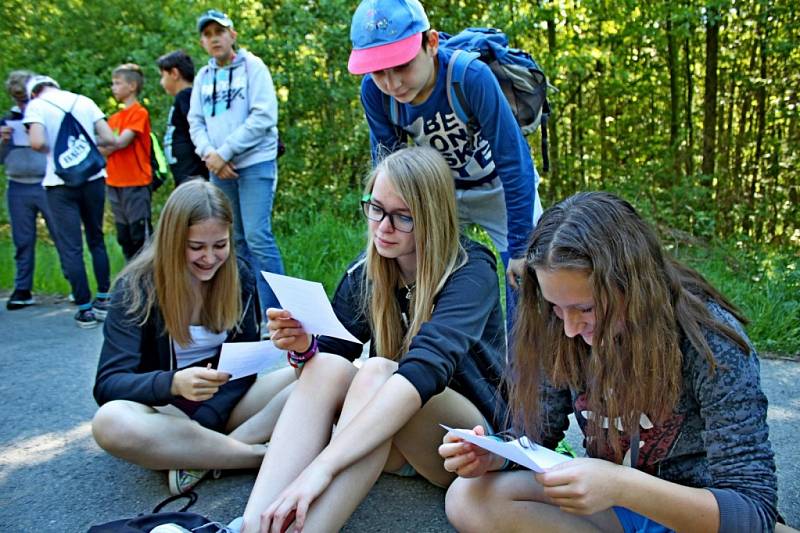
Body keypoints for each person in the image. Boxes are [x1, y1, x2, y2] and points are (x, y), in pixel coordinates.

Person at [439, 191, 778, 532]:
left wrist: (620, 484)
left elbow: (752, 511)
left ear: (633, 285)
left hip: (693, 513)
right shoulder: (561, 329)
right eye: (556, 308)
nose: (570, 328)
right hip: (613, 505)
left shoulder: (710, 343)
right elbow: (534, 436)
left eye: (586, 309)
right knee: (468, 495)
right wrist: (496, 455)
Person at [239, 146, 507, 532]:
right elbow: (327, 363)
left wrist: (321, 468)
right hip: (389, 442)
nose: (383, 227)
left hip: (464, 443)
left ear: (432, 217)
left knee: (378, 369)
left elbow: (425, 371)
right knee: (328, 365)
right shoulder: (365, 273)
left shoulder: (471, 269)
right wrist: (302, 350)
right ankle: (252, 525)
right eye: (376, 208)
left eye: (402, 217)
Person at [91, 180, 296, 496]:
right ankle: (257, 456)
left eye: (220, 245)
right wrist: (173, 383)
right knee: (110, 422)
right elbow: (109, 384)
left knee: (314, 373)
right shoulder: (136, 289)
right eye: (196, 247)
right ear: (172, 241)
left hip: (224, 406)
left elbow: (243, 371)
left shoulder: (238, 276)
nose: (210, 258)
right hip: (161, 414)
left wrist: (207, 419)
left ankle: (206, 455)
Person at [347, 0, 543, 324]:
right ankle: (447, 361)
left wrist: (521, 247)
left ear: (431, 43)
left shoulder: (470, 77)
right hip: (441, 192)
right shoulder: (375, 93)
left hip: (498, 187)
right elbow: (393, 173)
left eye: (403, 65)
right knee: (427, 270)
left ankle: (524, 370)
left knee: (527, 277)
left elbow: (514, 160)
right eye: (379, 71)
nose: (393, 83)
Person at [188, 8, 284, 311]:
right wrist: (209, 155)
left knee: (257, 235)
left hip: (255, 162)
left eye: (219, 32)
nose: (214, 39)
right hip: (219, 168)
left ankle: (277, 313)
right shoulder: (203, 77)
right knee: (233, 240)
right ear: (203, 42)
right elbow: (195, 122)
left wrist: (223, 153)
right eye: (208, 34)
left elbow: (264, 116)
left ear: (232, 35)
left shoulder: (253, 67)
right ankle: (245, 313)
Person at [23, 75, 118, 328]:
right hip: (93, 178)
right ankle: (104, 298)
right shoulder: (83, 101)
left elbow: (37, 141)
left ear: (33, 93)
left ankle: (85, 309)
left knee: (71, 246)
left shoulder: (37, 106)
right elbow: (109, 138)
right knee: (96, 238)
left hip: (59, 183)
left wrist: (53, 151)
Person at [0, 70, 62, 310]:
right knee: (22, 240)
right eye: (18, 100)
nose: (22, 105)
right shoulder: (8, 120)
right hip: (17, 183)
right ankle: (22, 288)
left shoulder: (46, 116)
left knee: (61, 235)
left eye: (24, 99)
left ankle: (75, 285)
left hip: (45, 181)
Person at [102, 63, 153, 260]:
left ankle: (148, 276)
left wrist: (110, 145)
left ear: (132, 86)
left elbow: (122, 141)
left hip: (136, 181)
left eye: (117, 83)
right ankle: (130, 275)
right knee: (124, 236)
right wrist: (110, 145)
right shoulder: (114, 118)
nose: (113, 88)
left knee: (139, 233)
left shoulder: (139, 113)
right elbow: (102, 147)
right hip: (114, 180)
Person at [156, 50, 209, 187]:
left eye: (163, 76)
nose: (161, 82)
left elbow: (195, 126)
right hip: (184, 173)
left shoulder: (186, 96)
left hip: (193, 172)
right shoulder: (182, 98)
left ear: (174, 74)